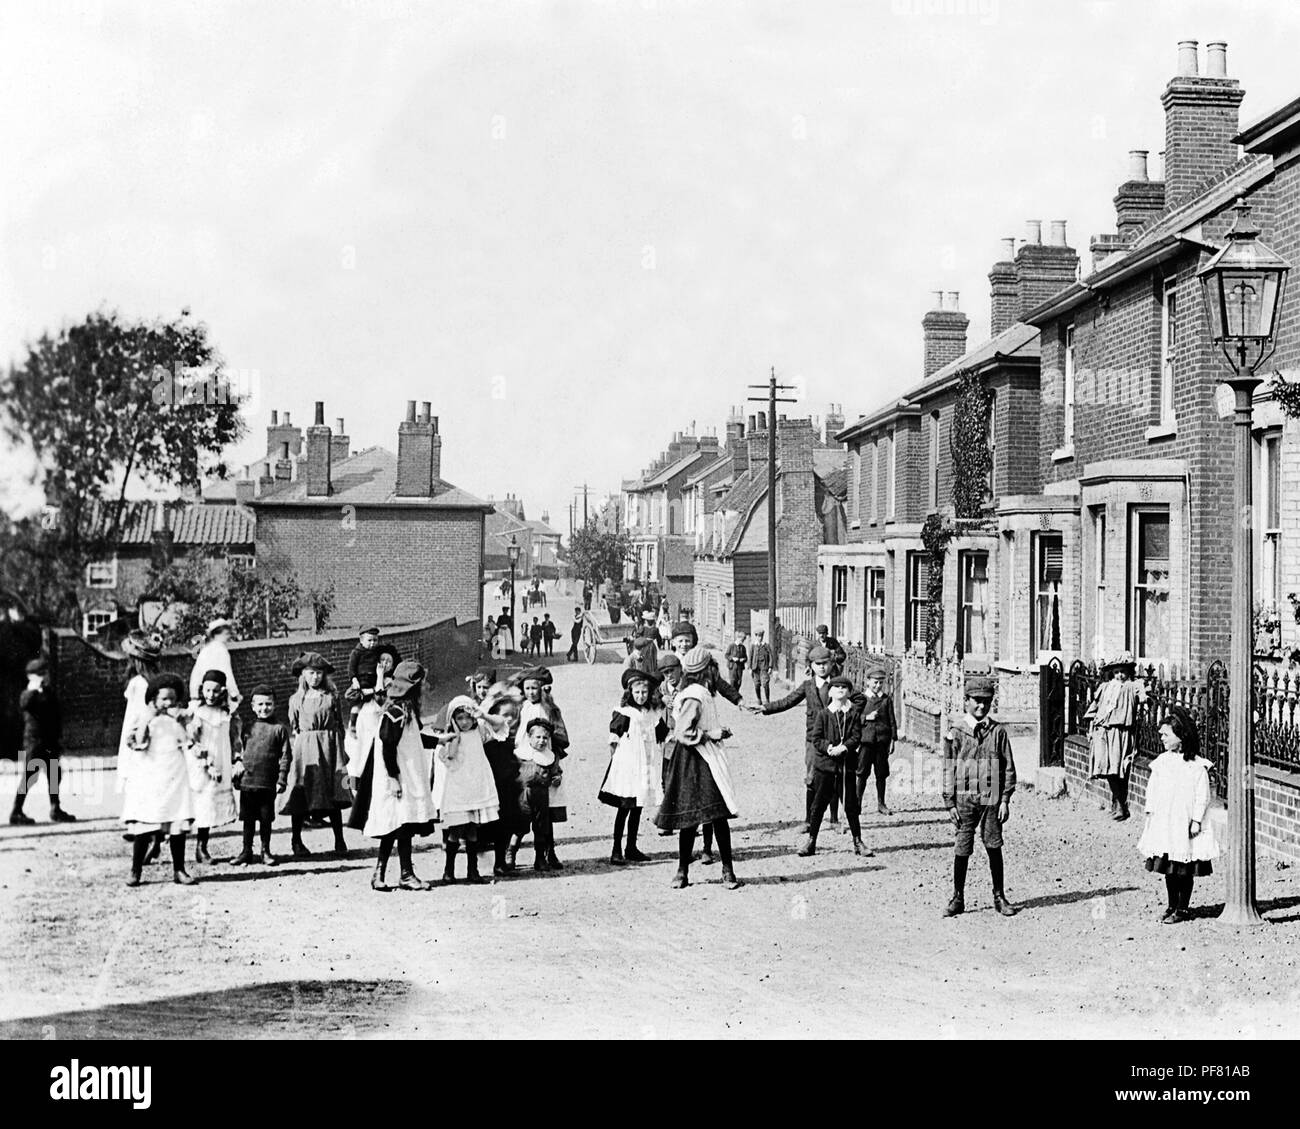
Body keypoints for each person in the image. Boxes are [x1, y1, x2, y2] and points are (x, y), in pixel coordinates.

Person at [655, 646, 743, 890]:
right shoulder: (695, 694)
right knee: (701, 816)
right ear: (709, 670)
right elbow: (684, 732)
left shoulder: (697, 691)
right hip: (696, 760)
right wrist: (711, 734)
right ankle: (688, 871)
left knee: (711, 816)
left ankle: (721, 871)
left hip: (697, 758)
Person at [347, 660, 438, 891]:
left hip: (404, 774)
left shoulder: (406, 712)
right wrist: (394, 778)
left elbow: (416, 738)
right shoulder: (396, 714)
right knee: (401, 824)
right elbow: (388, 746)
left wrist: (440, 740)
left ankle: (381, 874)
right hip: (397, 776)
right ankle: (405, 874)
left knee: (396, 824)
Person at [942, 674, 1017, 918]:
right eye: (976, 700)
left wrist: (1005, 799)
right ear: (966, 701)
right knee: (962, 846)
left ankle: (999, 896)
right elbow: (948, 767)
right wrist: (949, 801)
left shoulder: (997, 732)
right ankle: (958, 897)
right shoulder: (956, 732)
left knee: (993, 845)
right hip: (964, 798)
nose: (981, 706)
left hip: (991, 797)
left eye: (986, 701)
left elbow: (1007, 767)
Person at [1137, 706, 1219, 924]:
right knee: (1169, 869)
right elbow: (1152, 790)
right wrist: (1151, 813)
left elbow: (1203, 796)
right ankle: (1171, 904)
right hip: (1165, 823)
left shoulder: (1196, 766)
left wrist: (1196, 821)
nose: (1161, 738)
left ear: (1180, 737)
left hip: (1185, 823)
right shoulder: (1162, 762)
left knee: (1184, 868)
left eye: (1166, 734)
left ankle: (1183, 908)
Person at [121, 673, 200, 886]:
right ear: (153, 699)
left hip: (174, 774)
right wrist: (148, 719)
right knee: (146, 824)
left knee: (177, 823)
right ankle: (135, 870)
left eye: (172, 699)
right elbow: (138, 742)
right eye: (164, 699)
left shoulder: (176, 720)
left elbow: (188, 741)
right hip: (151, 775)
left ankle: (179, 869)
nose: (168, 703)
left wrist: (183, 722)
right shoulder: (145, 718)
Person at [281, 652, 351, 858]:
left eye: (319, 673)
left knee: (333, 789)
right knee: (301, 791)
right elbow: (294, 727)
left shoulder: (331, 697)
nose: (315, 677)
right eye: (311, 673)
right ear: (303, 675)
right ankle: (296, 840)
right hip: (306, 749)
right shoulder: (296, 699)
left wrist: (339, 749)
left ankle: (339, 838)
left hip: (329, 747)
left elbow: (339, 724)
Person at [761, 645, 837, 834]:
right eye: (817, 664)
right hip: (813, 739)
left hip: (835, 739)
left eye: (825, 663)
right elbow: (788, 701)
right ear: (811, 666)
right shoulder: (808, 686)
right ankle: (809, 820)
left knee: (834, 777)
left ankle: (834, 820)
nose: (822, 667)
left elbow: (855, 703)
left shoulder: (838, 685)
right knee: (811, 778)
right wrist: (766, 708)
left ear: (831, 664)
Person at [429, 696, 503, 885]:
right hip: (458, 789)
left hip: (476, 786)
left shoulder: (479, 730)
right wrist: (454, 735)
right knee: (456, 830)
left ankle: (473, 870)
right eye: (460, 718)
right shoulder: (451, 736)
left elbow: (500, 725)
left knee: (472, 830)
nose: (464, 722)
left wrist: (482, 715)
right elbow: (449, 756)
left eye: (467, 717)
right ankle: (449, 871)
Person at [601, 668, 667, 865]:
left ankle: (631, 847)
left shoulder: (652, 713)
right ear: (630, 693)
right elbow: (613, 739)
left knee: (638, 807)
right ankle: (616, 849)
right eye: (637, 692)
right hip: (627, 767)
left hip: (644, 766)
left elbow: (663, 733)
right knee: (624, 807)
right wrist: (618, 763)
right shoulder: (624, 713)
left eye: (644, 692)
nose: (641, 696)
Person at [230, 685, 292, 866]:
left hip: (267, 782)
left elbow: (286, 756)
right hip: (248, 782)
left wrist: (281, 779)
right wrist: (237, 774)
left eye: (268, 704)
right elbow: (238, 751)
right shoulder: (247, 727)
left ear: (274, 705)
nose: (264, 708)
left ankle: (265, 851)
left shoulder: (279, 729)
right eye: (260, 704)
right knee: (248, 819)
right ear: (252, 706)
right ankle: (246, 851)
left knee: (265, 819)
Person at [10, 657, 76, 825]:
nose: (43, 677)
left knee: (55, 775)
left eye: (44, 673)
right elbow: (25, 704)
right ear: (31, 677)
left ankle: (56, 808)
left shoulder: (47, 692)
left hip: (50, 741)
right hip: (34, 742)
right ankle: (16, 811)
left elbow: (56, 715)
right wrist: (34, 688)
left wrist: (59, 738)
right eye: (39, 674)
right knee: (30, 777)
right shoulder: (28, 694)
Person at [187, 669, 240, 863]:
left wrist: (237, 760)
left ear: (223, 691)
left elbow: (234, 739)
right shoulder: (197, 712)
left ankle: (202, 847)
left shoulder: (227, 713)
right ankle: (161, 841)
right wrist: (206, 764)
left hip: (222, 762)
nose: (211, 695)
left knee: (209, 806)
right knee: (202, 803)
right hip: (203, 765)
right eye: (207, 690)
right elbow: (191, 742)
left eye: (215, 691)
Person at [1087, 652, 1145, 822]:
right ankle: (1117, 802)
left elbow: (1142, 694)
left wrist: (1142, 696)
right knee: (1105, 767)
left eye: (1123, 672)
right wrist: (1091, 728)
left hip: (1120, 732)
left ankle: (1121, 805)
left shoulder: (1131, 686)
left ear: (1129, 673)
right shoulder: (1105, 687)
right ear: (1112, 672)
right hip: (1102, 731)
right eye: (1117, 671)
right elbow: (1095, 707)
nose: (1120, 675)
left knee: (1118, 768)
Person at [517, 717, 560, 872]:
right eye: (538, 737)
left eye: (545, 738)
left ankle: (540, 858)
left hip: (541, 795)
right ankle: (510, 854)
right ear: (529, 737)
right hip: (523, 795)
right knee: (520, 826)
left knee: (541, 827)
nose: (541, 741)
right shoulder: (521, 754)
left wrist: (556, 777)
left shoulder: (550, 756)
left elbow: (556, 770)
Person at [857, 662, 898, 817]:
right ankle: (858, 803)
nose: (878, 685)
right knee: (862, 773)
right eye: (875, 682)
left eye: (881, 682)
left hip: (882, 742)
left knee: (881, 774)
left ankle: (881, 803)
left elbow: (892, 720)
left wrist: (893, 739)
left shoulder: (886, 700)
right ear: (867, 681)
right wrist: (866, 717)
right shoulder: (861, 699)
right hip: (866, 742)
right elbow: (854, 719)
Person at [346, 628, 401, 735]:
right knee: (356, 706)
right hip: (362, 687)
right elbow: (351, 669)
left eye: (388, 661)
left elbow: (380, 696)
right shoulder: (357, 653)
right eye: (382, 660)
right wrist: (355, 680)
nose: (384, 664)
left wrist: (379, 678)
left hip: (379, 720)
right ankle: (352, 726)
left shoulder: (390, 681)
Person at [188, 619, 242, 711]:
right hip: (216, 694)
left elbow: (196, 675)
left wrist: (194, 695)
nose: (228, 636)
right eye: (226, 634)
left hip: (202, 693)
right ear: (217, 634)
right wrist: (235, 693)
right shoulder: (220, 649)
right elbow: (226, 673)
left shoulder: (206, 649)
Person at [748, 629, 773, 708]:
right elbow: (750, 657)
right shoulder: (753, 646)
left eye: (761, 636)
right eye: (758, 636)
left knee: (765, 684)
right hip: (755, 668)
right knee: (756, 685)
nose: (760, 638)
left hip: (764, 668)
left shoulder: (766, 645)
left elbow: (771, 657)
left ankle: (767, 700)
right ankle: (759, 699)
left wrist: (770, 667)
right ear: (756, 637)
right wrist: (750, 668)